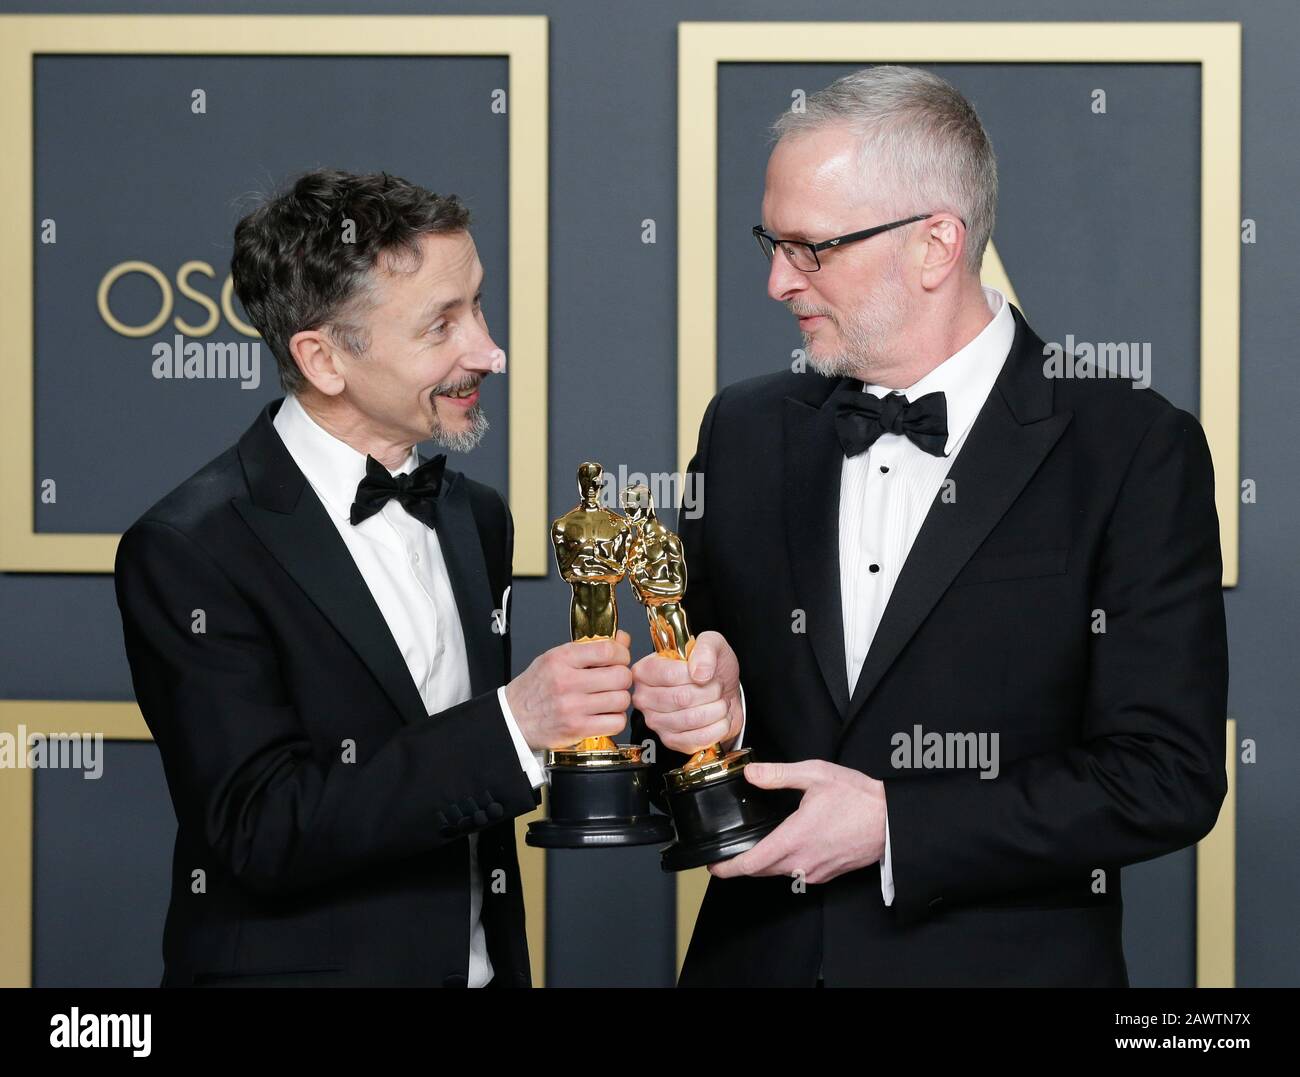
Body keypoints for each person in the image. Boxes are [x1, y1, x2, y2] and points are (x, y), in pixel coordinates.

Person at [631, 66, 1228, 987]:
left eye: (808, 248)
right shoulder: (743, 431)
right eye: (770, 241)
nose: (776, 281)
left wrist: (897, 825)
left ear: (936, 245)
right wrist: (703, 714)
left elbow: (1165, 776)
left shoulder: (1133, 448)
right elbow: (689, 723)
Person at [115, 169, 634, 987]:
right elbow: (262, 829)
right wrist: (512, 725)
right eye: (442, 325)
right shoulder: (189, 548)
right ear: (323, 358)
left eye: (478, 305)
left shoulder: (475, 515)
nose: (490, 351)